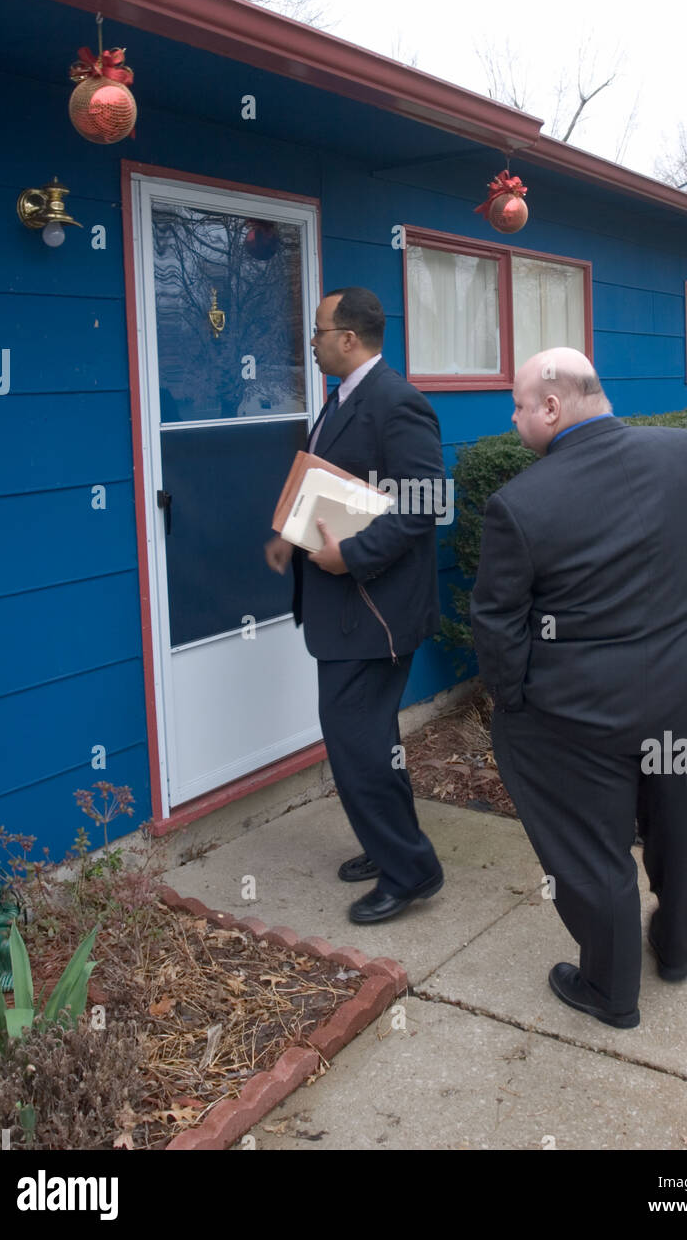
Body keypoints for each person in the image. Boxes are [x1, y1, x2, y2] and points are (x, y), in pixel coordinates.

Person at [470, 348, 687, 1028]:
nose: (513, 419)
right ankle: (675, 950)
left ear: (553, 407)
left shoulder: (518, 504)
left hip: (580, 719)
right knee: (681, 823)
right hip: (685, 696)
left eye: (517, 406)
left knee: (590, 850)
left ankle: (610, 989)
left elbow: (497, 624)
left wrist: (514, 702)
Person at [265, 287, 445, 923]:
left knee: (356, 744)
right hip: (344, 610)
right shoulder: (342, 398)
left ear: (348, 339)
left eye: (317, 332)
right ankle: (387, 844)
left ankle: (412, 871)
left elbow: (424, 506)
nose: (309, 344)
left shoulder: (397, 403)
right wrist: (292, 536)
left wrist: (354, 556)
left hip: (375, 612)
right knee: (372, 740)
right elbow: (333, 483)